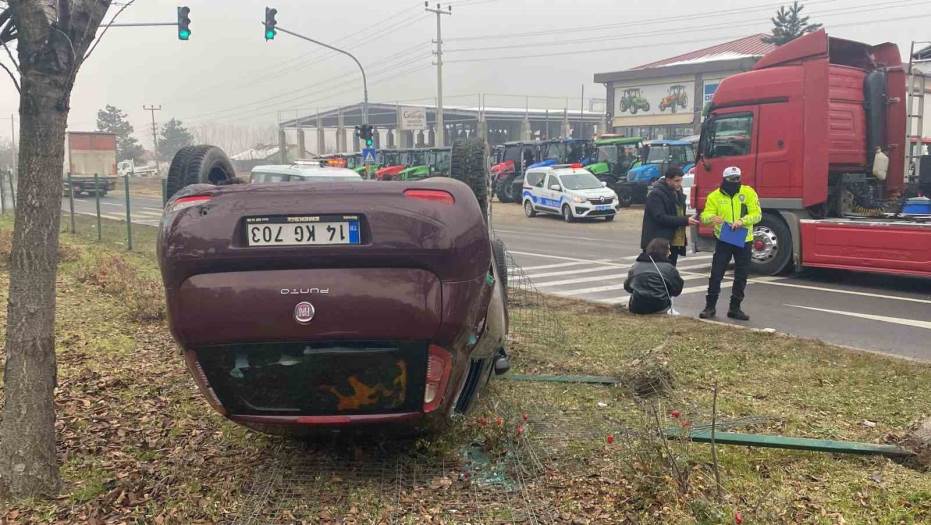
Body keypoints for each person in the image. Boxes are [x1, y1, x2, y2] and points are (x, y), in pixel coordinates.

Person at [699, 166, 761, 321]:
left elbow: (757, 214)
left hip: (744, 239)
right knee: (716, 274)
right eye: (732, 179)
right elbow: (704, 216)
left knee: (741, 275)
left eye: (737, 178)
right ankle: (710, 307)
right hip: (724, 239)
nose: (735, 181)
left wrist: (742, 221)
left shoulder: (748, 192)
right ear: (724, 179)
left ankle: (735, 308)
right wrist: (713, 218)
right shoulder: (714, 196)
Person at [640, 165, 699, 266]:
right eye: (676, 181)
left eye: (680, 181)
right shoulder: (656, 194)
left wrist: (688, 219)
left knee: (670, 271)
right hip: (658, 243)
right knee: (658, 272)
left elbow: (679, 212)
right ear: (668, 180)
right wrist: (685, 220)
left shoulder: (678, 193)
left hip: (674, 241)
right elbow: (660, 217)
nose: (679, 184)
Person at [624, 238, 684, 315]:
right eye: (668, 250)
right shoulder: (669, 268)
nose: (670, 253)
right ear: (664, 251)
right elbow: (677, 290)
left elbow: (627, 287)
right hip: (660, 307)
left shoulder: (636, 265)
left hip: (637, 307)